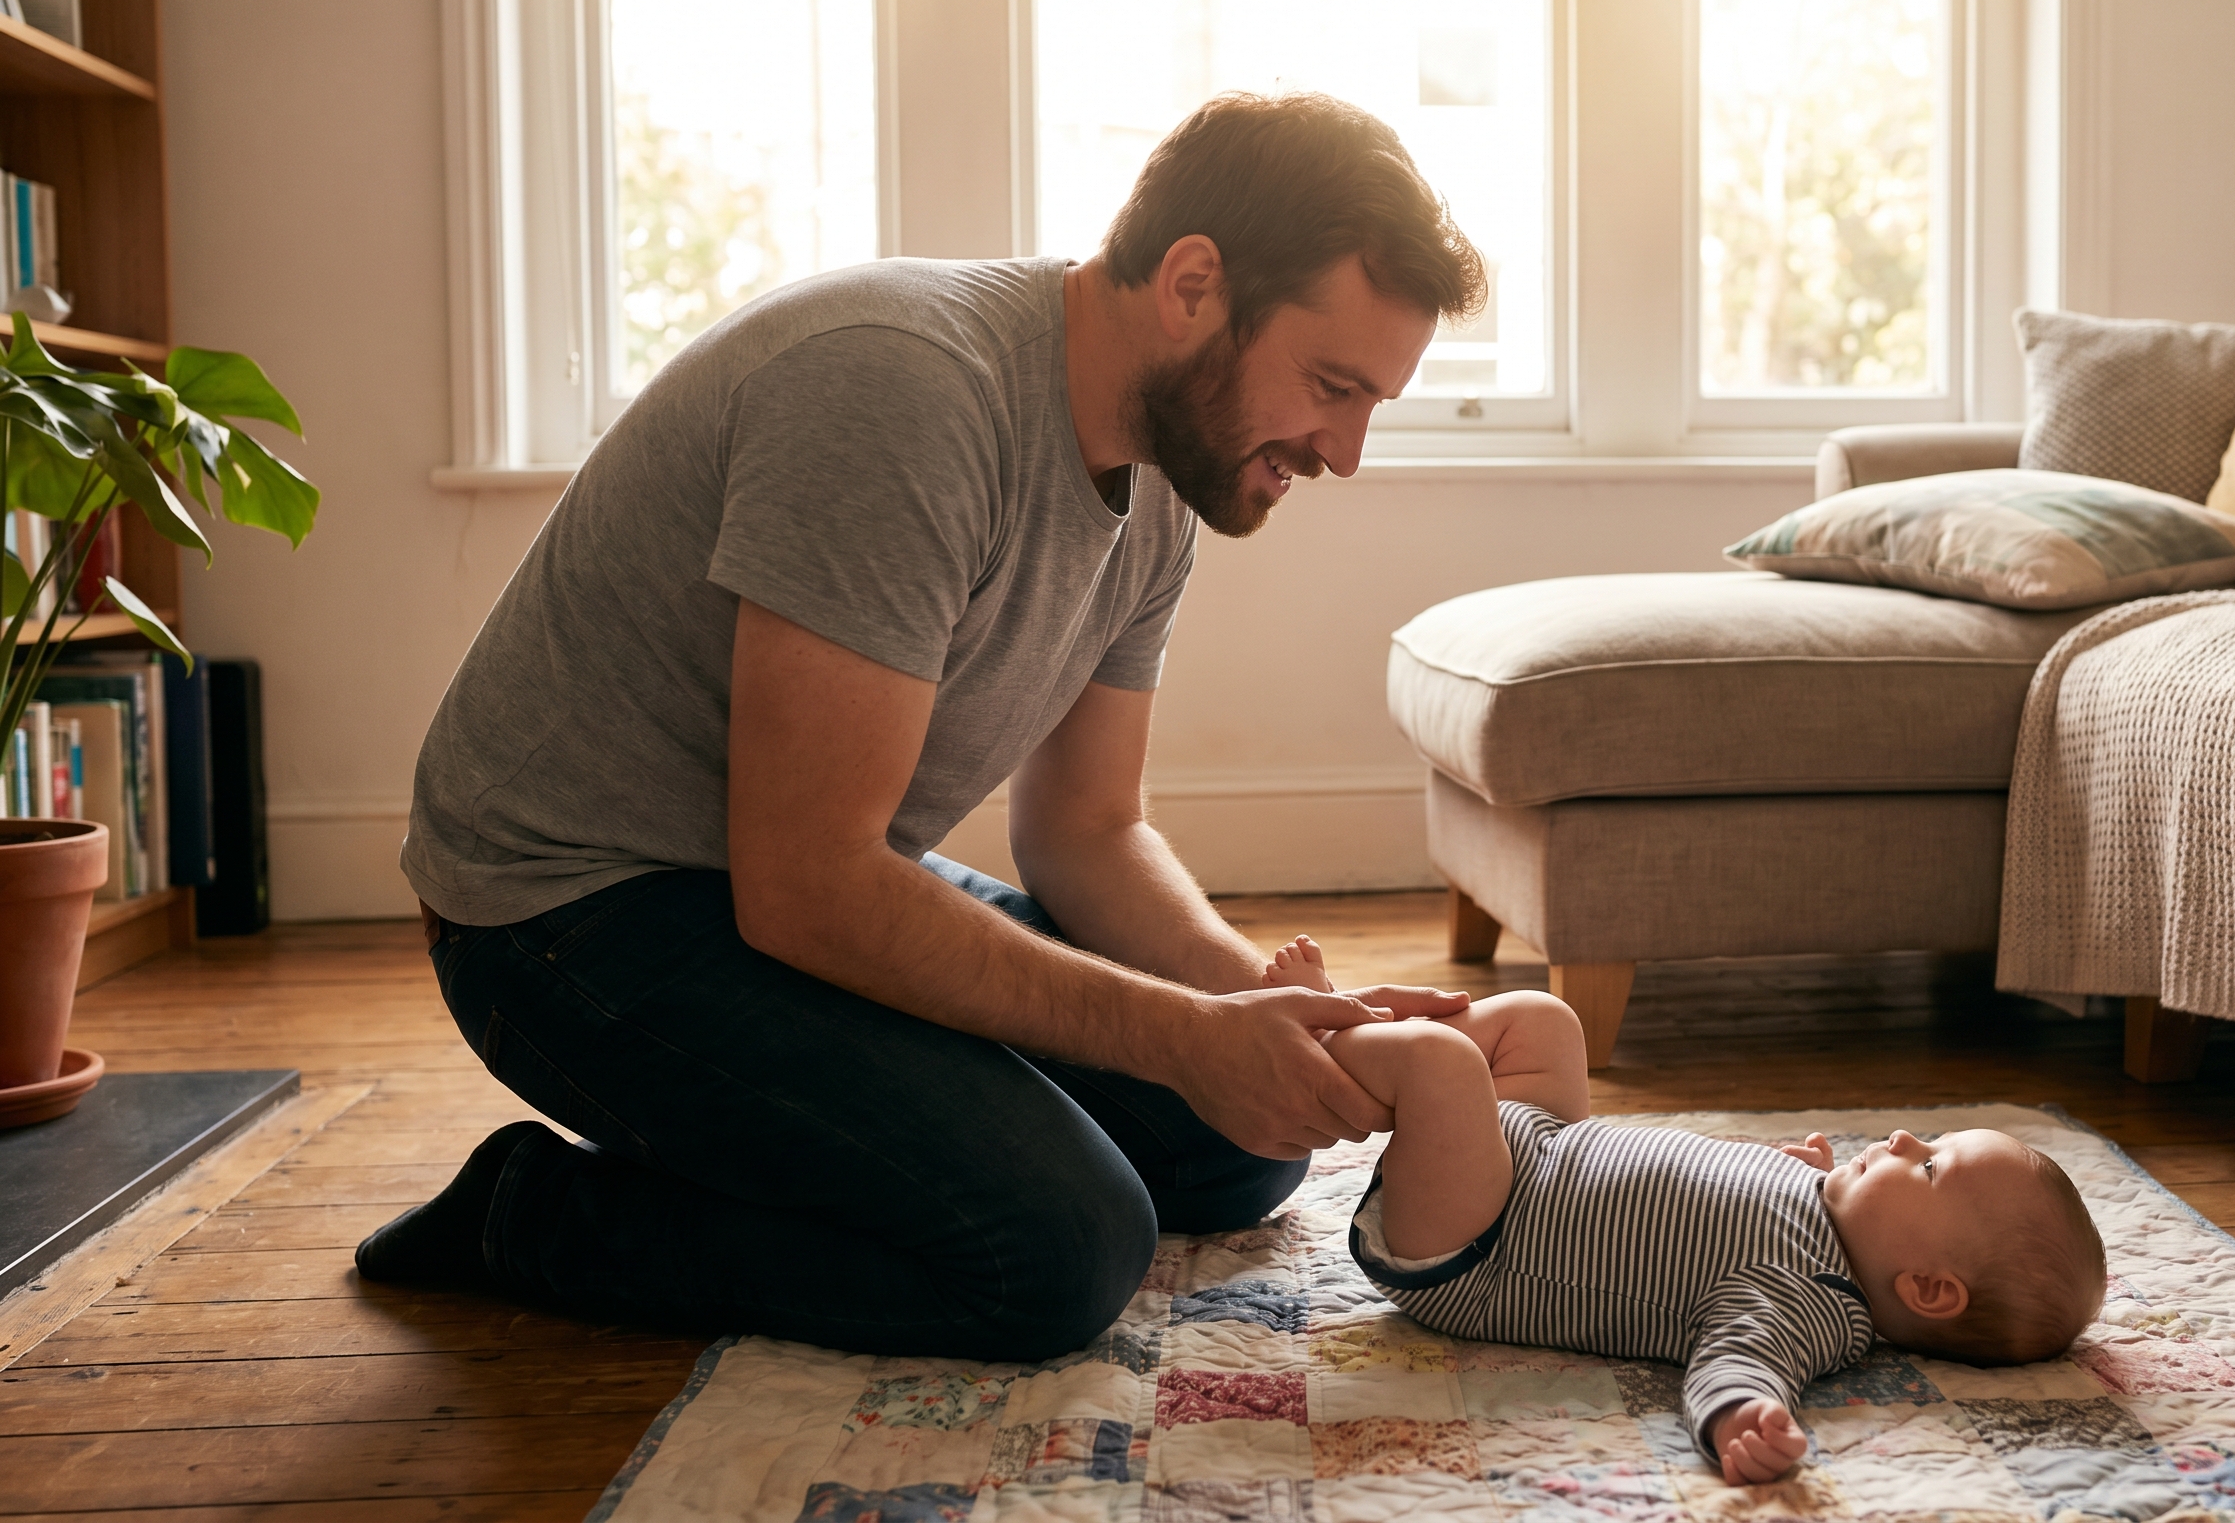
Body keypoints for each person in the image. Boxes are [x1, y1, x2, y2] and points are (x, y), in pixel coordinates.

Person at [364, 92, 1488, 1360]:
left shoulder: (1173, 476)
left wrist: (1275, 1020)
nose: (1342, 450)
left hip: (776, 879)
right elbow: (808, 888)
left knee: (1241, 1142)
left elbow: (1088, 829)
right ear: (1190, 286)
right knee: (1058, 1252)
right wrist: (1182, 1034)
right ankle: (533, 1214)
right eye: (1332, 386)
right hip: (563, 914)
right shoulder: (903, 392)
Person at [1261, 935, 2109, 1487]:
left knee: (1444, 1065)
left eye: (1926, 1167)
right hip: (1542, 1146)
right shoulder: (1823, 1205)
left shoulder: (1810, 1299)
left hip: (1477, 1241)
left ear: (1927, 1288)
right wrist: (1797, 1174)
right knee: (1545, 1021)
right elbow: (1710, 1196)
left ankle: (1327, 1040)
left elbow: (1741, 1361)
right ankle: (1371, 1047)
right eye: (1927, 1138)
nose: (1900, 1137)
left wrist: (1745, 1421)